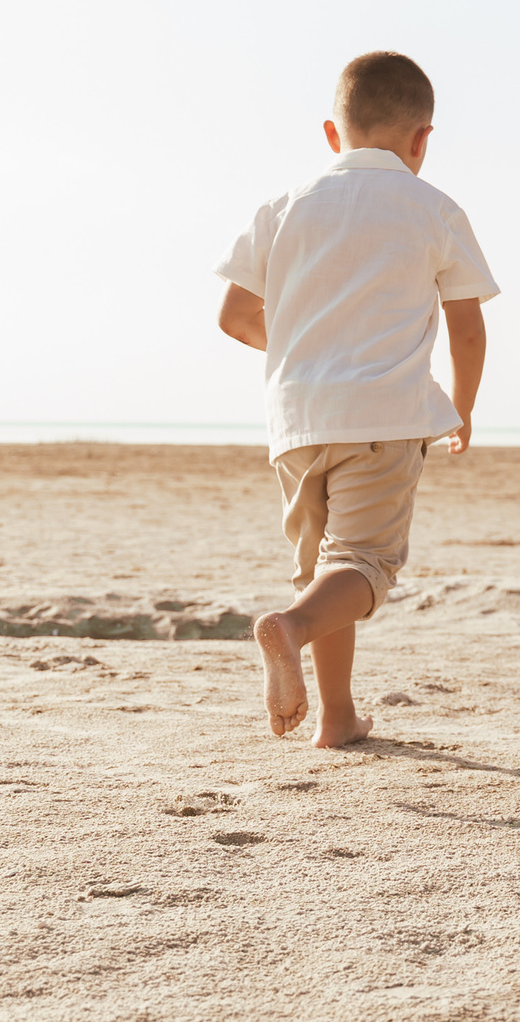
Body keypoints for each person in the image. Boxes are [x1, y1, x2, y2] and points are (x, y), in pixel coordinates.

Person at [214, 50, 499, 747]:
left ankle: (337, 719)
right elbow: (466, 326)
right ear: (422, 138)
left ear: (331, 133)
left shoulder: (284, 206)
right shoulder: (434, 207)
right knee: (364, 565)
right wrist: (462, 406)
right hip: (385, 412)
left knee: (324, 566)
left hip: (297, 418)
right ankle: (291, 626)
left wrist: (307, 349)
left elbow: (234, 315)